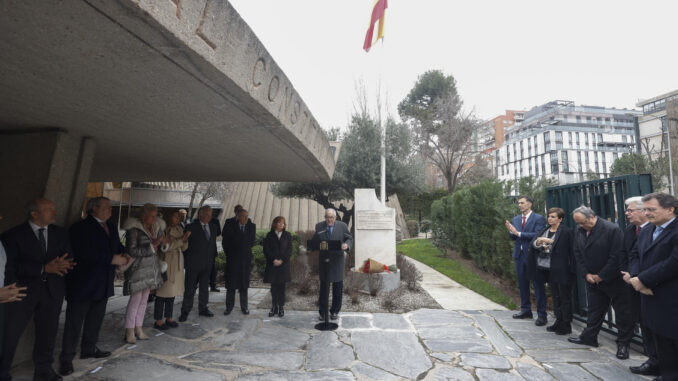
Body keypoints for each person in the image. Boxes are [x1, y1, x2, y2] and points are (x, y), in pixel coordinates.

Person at [1, 198, 75, 381]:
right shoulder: (13, 235)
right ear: (34, 214)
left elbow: (68, 256)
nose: (54, 212)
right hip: (21, 292)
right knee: (10, 334)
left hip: (52, 290)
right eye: (49, 209)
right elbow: (10, 267)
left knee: (48, 333)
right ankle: (2, 372)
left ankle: (43, 371)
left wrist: (64, 264)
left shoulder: (60, 233)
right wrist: (43, 268)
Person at [58, 197, 128, 376]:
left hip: (103, 282)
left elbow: (116, 246)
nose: (110, 210)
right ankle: (66, 359)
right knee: (74, 323)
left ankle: (89, 348)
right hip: (83, 283)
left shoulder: (111, 226)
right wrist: (111, 259)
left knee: (95, 319)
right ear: (93, 209)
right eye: (106, 207)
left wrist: (125, 254)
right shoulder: (79, 228)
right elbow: (83, 252)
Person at [568, 205, 633, 360]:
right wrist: (586, 274)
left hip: (613, 279)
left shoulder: (611, 230)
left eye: (583, 222)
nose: (581, 226)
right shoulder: (580, 230)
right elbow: (577, 253)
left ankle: (623, 344)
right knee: (594, 310)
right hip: (592, 279)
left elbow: (616, 256)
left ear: (591, 217)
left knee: (623, 314)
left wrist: (601, 275)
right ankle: (589, 337)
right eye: (578, 223)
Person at [625, 193, 678, 381]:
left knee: (671, 337)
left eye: (651, 209)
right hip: (648, 293)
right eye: (645, 209)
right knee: (657, 337)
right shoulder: (647, 230)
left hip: (669, 295)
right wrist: (636, 278)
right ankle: (664, 371)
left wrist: (643, 280)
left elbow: (673, 262)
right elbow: (634, 254)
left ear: (670, 209)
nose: (646, 213)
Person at [621, 197, 659, 377]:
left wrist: (642, 278)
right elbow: (631, 255)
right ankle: (653, 360)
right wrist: (632, 275)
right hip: (635, 283)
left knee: (661, 327)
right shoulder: (633, 231)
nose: (627, 214)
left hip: (656, 285)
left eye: (630, 210)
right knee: (644, 322)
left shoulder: (664, 231)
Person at [121, 203, 167, 344]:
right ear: (143, 215)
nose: (154, 219)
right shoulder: (133, 229)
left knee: (143, 301)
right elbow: (132, 250)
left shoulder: (156, 227)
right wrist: (152, 246)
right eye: (152, 216)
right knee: (135, 301)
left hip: (151, 269)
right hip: (137, 270)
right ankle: (129, 331)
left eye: (155, 216)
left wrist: (163, 244)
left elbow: (160, 248)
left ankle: (138, 328)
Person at [527, 207, 575, 335]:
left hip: (562, 269)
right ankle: (558, 321)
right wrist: (540, 242)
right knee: (555, 296)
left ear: (560, 218)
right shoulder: (545, 230)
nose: (550, 218)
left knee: (564, 297)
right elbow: (534, 244)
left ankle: (566, 324)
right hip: (548, 268)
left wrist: (550, 241)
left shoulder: (566, 231)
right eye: (549, 216)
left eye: (553, 217)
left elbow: (572, 250)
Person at [505, 196, 547, 324]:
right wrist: (511, 232)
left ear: (530, 204)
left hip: (533, 256)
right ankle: (526, 310)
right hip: (519, 255)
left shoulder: (538, 218)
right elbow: (514, 237)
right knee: (522, 284)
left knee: (537, 285)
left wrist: (518, 233)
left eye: (522, 203)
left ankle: (541, 315)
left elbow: (537, 235)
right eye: (518, 203)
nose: (520, 205)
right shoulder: (516, 219)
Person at [179, 205, 218, 321]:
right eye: (206, 214)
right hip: (193, 264)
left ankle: (203, 308)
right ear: (200, 214)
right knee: (190, 289)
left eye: (210, 215)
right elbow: (184, 245)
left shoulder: (213, 227)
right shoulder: (191, 227)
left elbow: (212, 244)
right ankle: (185, 311)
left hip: (207, 264)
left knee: (204, 288)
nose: (208, 216)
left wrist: (212, 258)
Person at [313, 208, 352, 321]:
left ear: (335, 218)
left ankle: (334, 311)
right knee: (324, 289)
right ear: (324, 217)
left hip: (337, 261)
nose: (329, 219)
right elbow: (315, 240)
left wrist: (346, 245)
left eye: (331, 217)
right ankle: (322, 312)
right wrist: (314, 244)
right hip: (324, 261)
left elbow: (349, 238)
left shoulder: (342, 226)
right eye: (327, 217)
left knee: (337, 288)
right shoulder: (319, 226)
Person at [153, 211, 190, 330]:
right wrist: (181, 240)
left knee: (172, 293)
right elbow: (165, 247)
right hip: (167, 263)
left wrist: (184, 240)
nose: (177, 219)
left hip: (178, 262)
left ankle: (169, 318)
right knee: (162, 293)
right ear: (169, 217)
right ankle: (158, 320)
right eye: (175, 216)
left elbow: (184, 247)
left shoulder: (180, 229)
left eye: (179, 217)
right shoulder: (163, 230)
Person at [222, 209, 255, 315]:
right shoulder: (231, 227)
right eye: (243, 216)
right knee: (231, 285)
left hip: (245, 260)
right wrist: (230, 255)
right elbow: (225, 242)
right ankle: (229, 307)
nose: (246, 218)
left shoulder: (251, 227)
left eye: (247, 216)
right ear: (238, 217)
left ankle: (244, 307)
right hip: (233, 260)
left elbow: (252, 242)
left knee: (244, 285)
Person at [263, 216, 292, 318]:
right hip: (272, 265)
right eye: (279, 223)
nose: (281, 225)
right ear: (275, 224)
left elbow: (289, 250)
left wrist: (281, 260)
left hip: (283, 266)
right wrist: (273, 260)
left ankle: (281, 307)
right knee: (273, 288)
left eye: (283, 223)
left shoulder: (287, 235)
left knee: (282, 288)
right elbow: (266, 250)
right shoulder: (269, 235)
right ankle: (273, 306)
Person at [209, 215, 222, 292]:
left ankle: (213, 285)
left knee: (212, 267)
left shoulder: (215, 221)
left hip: (212, 247)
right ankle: (195, 285)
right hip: (201, 249)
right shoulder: (198, 221)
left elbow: (218, 232)